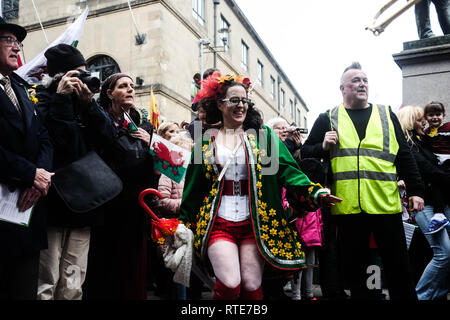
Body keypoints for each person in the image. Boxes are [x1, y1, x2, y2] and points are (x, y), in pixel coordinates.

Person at [178, 71, 341, 300]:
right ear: (220, 104)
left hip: (256, 225)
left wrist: (315, 192)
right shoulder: (206, 141)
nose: (240, 106)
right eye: (234, 100)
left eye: (244, 101)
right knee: (230, 283)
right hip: (218, 223)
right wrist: (181, 223)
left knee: (252, 285)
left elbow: (288, 171)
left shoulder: (263, 137)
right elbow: (193, 189)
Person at [301, 62, 425, 300]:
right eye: (356, 80)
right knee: (359, 270)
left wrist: (416, 191)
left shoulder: (386, 114)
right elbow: (306, 153)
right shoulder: (328, 118)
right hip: (347, 209)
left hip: (384, 205)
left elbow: (405, 156)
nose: (362, 84)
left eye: (365, 80)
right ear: (342, 88)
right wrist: (322, 146)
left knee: (398, 267)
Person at [34, 44, 115, 300]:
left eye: (84, 72)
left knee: (73, 280)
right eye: (76, 73)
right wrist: (60, 99)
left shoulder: (85, 101)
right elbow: (63, 143)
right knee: (47, 279)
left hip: (84, 201)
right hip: (54, 201)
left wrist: (89, 105)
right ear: (59, 76)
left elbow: (109, 136)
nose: (82, 79)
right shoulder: (42, 98)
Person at [84, 73, 159, 300]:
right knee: (104, 262)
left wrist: (151, 144)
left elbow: (153, 166)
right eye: (123, 86)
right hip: (105, 203)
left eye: (132, 86)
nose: (130, 90)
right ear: (109, 93)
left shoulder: (143, 126)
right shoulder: (97, 121)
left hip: (134, 206)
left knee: (132, 263)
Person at [0, 17, 53, 299]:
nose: (17, 48)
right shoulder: (200, 130)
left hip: (26, 211)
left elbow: (43, 138)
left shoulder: (20, 88)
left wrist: (38, 177)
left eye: (18, 43)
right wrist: (29, 173)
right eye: (9, 40)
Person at [397, 105, 450, 300]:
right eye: (420, 119)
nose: (424, 122)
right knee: (443, 254)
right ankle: (419, 296)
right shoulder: (408, 146)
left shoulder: (424, 141)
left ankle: (438, 296)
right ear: (410, 121)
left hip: (438, 202)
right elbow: (428, 169)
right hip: (423, 204)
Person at [155, 134, 194, 300]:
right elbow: (161, 202)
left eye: (189, 152)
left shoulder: (193, 173)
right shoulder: (169, 174)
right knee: (178, 266)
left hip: (190, 225)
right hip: (173, 228)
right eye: (182, 152)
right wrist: (185, 202)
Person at [421, 101, 450, 233]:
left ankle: (440, 214)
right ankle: (439, 214)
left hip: (448, 160)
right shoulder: (426, 133)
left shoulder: (448, 128)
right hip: (437, 165)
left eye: (438, 114)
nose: (435, 117)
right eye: (431, 114)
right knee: (435, 182)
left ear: (444, 115)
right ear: (426, 117)